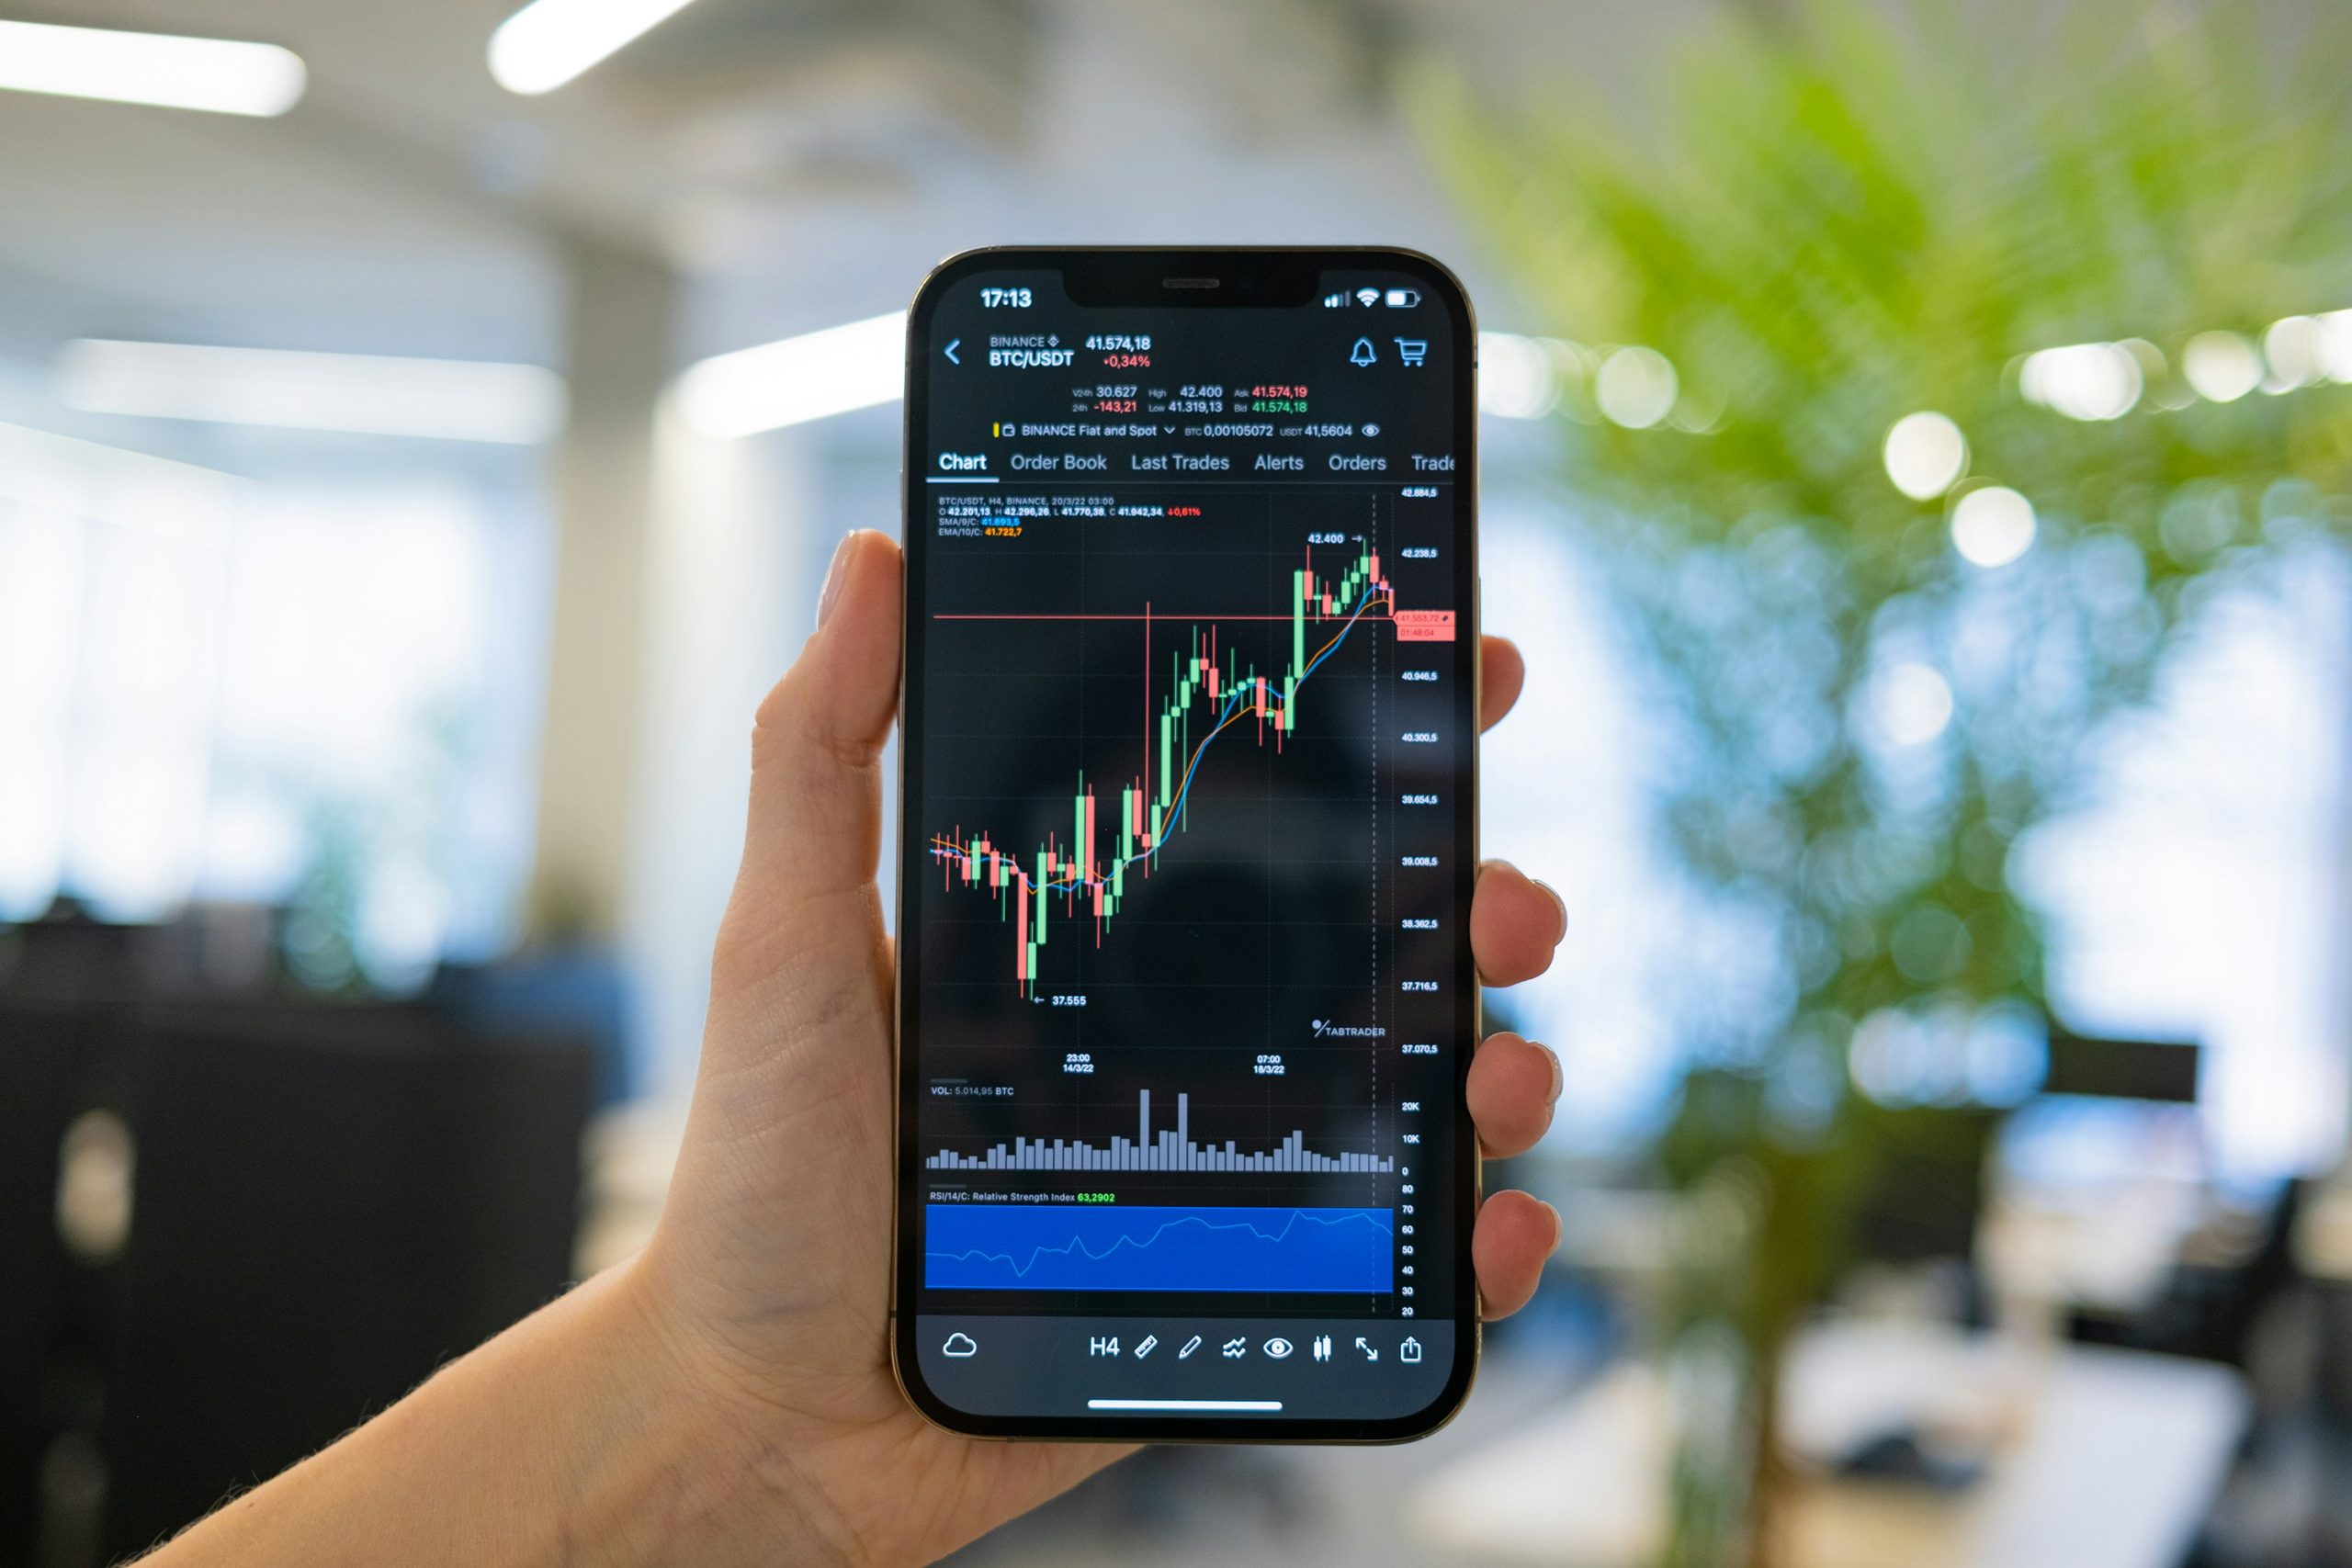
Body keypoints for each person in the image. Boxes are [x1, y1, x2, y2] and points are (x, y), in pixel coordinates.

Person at [145, 530, 1567, 1567]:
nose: (1184, 970)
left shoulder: (1452, 1444)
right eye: (1120, 910)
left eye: (1237, 923)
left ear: (1346, 951)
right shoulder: (883, 1328)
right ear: (1017, 942)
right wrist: (713, 1406)